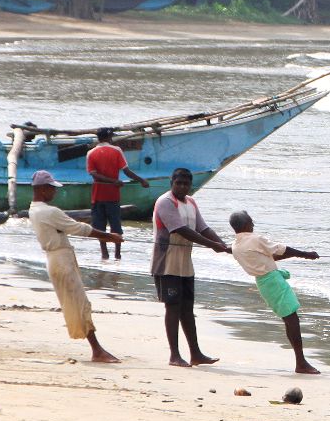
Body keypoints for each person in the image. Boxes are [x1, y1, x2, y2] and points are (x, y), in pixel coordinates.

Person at [27, 170, 123, 363]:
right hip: (61, 261)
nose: (54, 192)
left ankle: (97, 349)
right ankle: (97, 350)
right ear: (44, 189)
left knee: (76, 303)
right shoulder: (49, 211)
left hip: (57, 259)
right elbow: (79, 228)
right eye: (52, 188)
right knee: (79, 304)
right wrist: (109, 236)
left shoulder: (34, 209)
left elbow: (71, 226)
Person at [151, 167, 229, 367]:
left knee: (187, 308)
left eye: (186, 184)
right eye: (179, 183)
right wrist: (212, 246)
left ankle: (195, 353)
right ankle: (174, 355)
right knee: (173, 307)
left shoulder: (191, 202)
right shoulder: (165, 202)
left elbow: (203, 228)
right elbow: (181, 229)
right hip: (166, 263)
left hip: (185, 264)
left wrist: (223, 245)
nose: (183, 187)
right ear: (172, 183)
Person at [228, 210, 322, 374]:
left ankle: (300, 361)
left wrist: (296, 256)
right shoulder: (255, 239)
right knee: (292, 319)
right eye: (251, 221)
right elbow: (281, 249)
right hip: (273, 281)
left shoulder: (235, 247)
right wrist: (306, 254)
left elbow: (268, 257)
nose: (253, 224)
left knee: (289, 318)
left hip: (264, 283)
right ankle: (301, 362)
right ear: (245, 225)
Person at [86, 127, 149, 260]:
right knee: (116, 225)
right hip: (113, 196)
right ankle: (117, 255)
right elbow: (126, 171)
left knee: (100, 227)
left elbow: (94, 174)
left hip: (97, 196)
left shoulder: (91, 153)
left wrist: (113, 181)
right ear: (109, 138)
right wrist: (141, 180)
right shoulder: (117, 150)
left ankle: (104, 254)